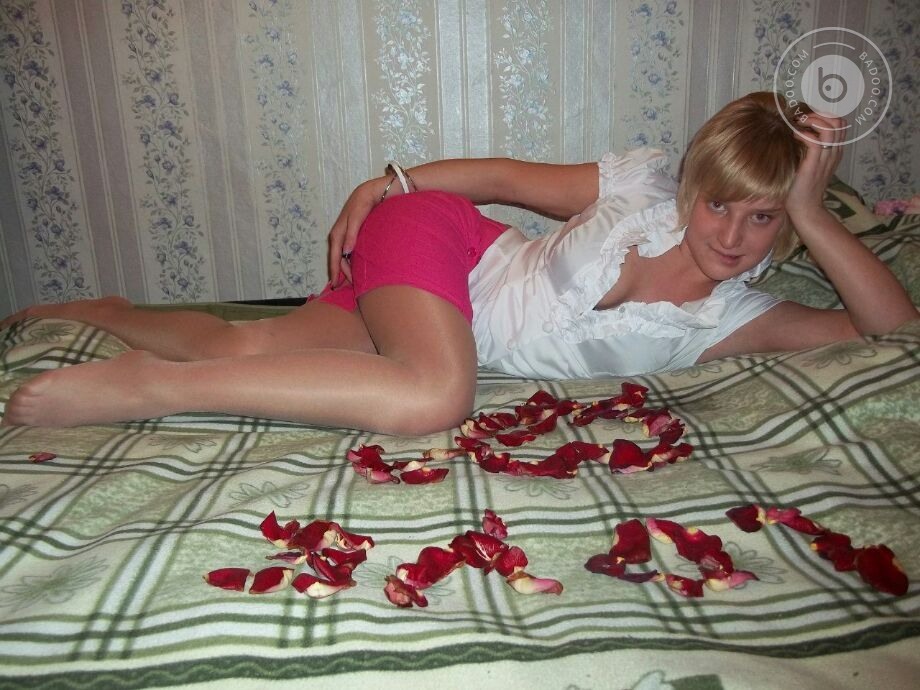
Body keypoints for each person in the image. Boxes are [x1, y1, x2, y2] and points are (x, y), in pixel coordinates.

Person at [0, 92, 916, 432]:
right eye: (720, 203)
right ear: (693, 187)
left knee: (250, 345)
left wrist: (811, 210)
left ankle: (105, 313)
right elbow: (505, 178)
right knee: (436, 394)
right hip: (442, 244)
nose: (732, 235)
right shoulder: (642, 186)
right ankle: (155, 388)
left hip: (426, 314)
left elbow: (892, 332)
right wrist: (386, 183)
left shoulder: (735, 316)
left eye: (763, 219)